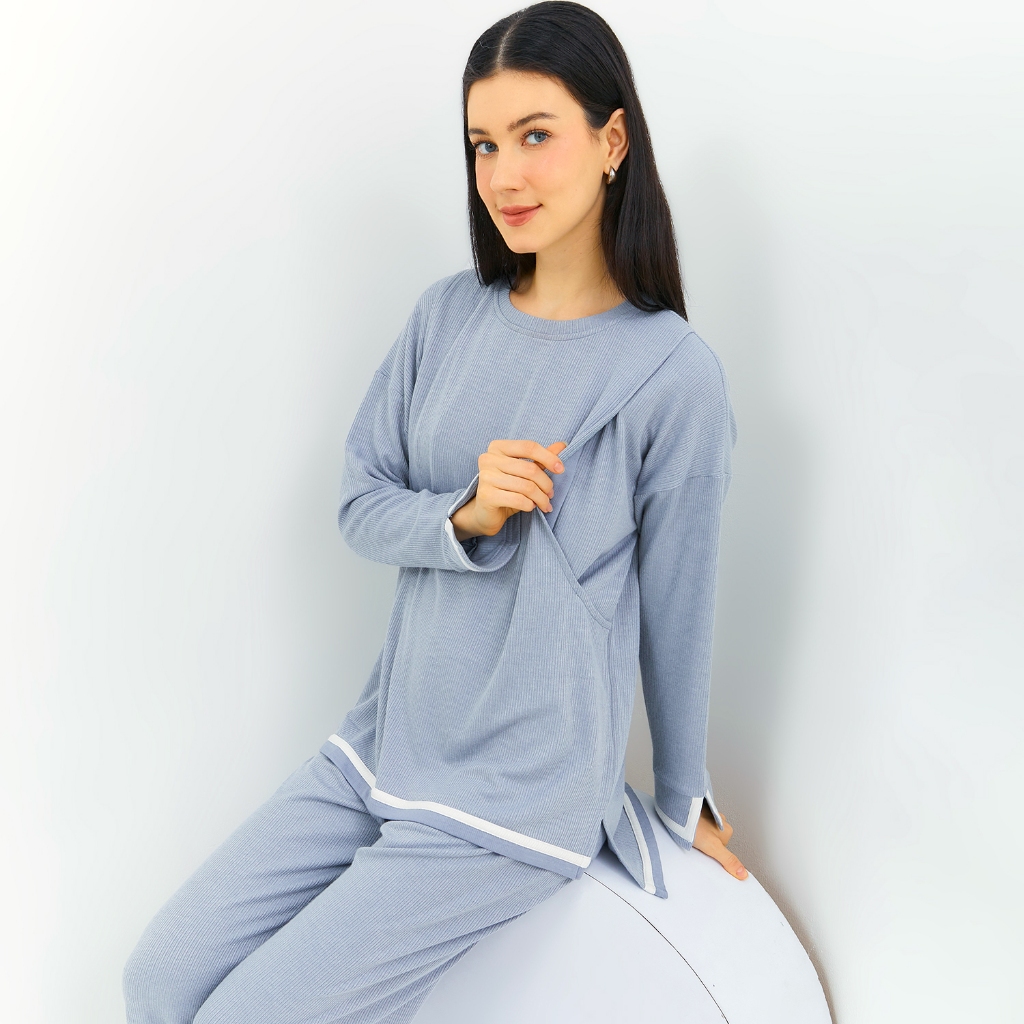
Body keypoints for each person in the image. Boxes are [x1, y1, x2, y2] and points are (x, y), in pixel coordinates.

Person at [123, 4, 746, 1022]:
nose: (503, 175)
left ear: (612, 141)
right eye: (483, 144)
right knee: (157, 977)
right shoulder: (446, 316)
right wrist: (463, 513)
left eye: (535, 135)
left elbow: (681, 605)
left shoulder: (674, 375)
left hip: (513, 800)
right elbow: (359, 504)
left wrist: (684, 798)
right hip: (381, 745)